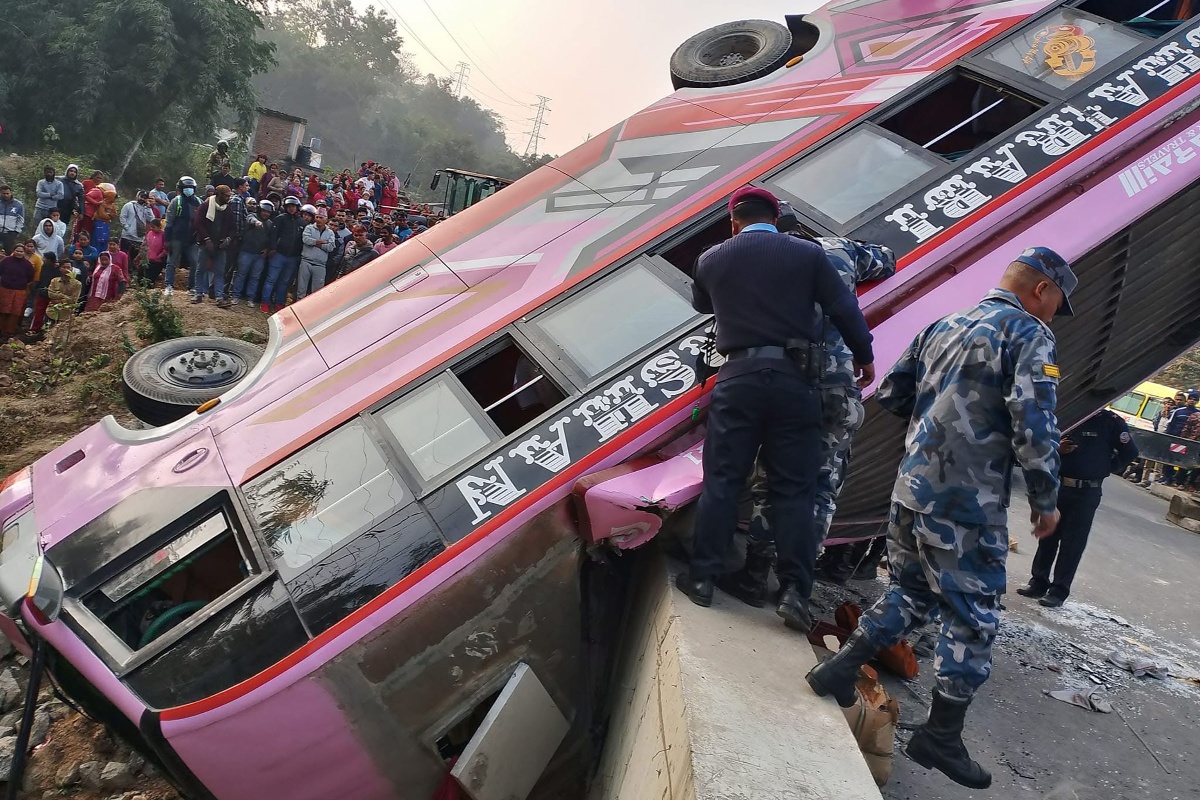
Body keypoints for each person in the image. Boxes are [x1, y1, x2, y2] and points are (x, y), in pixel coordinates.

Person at [806, 246, 1077, 790]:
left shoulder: (944, 323)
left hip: (912, 488)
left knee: (912, 593)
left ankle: (838, 669)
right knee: (974, 615)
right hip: (967, 504)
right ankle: (941, 734)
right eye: (1056, 304)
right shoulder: (1029, 334)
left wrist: (941, 421)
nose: (1054, 316)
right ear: (1041, 290)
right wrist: (1045, 498)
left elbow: (892, 393)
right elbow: (1035, 421)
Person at [674, 186, 875, 632]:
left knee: (724, 481)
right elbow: (844, 309)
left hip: (738, 379)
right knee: (795, 490)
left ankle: (702, 579)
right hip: (795, 382)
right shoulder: (807, 255)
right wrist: (864, 356)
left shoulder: (711, 258)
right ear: (776, 217)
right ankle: (794, 594)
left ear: (734, 222)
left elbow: (703, 303)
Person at [720, 203, 896, 606]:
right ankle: (795, 591)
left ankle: (754, 576)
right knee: (821, 488)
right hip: (838, 390)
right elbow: (887, 259)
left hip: (786, 386)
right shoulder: (839, 250)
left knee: (773, 482)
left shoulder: (760, 264)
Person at [1017, 409, 1138, 608]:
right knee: (1048, 536)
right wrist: (1058, 449)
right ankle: (1038, 582)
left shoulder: (1110, 422)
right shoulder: (1071, 411)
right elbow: (1041, 445)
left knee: (1073, 542)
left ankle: (1059, 590)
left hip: (1086, 492)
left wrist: (1103, 467)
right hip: (1058, 485)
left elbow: (1130, 452)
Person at [192, 185, 237, 307]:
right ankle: (198, 294)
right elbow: (197, 223)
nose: (228, 198)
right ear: (219, 195)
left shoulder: (227, 209)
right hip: (205, 243)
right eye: (226, 196)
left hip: (220, 245)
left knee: (219, 272)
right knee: (201, 269)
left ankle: (219, 297)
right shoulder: (205, 206)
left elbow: (233, 228)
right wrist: (206, 239)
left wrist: (228, 239)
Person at [263, 196, 305, 312]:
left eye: (293, 206)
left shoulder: (301, 222)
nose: (291, 208)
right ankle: (265, 302)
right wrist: (273, 248)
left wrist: (299, 254)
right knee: (271, 279)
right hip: (279, 254)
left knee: (284, 282)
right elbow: (273, 234)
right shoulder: (280, 218)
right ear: (285, 207)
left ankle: (279, 303)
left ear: (297, 207)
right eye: (289, 206)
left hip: (293, 257)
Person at [164, 176, 202, 296]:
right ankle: (168, 285)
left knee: (195, 262)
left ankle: (192, 287)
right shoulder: (176, 201)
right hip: (176, 237)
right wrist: (167, 239)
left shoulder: (199, 202)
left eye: (191, 188)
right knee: (172, 262)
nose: (188, 190)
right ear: (181, 189)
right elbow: (169, 222)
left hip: (192, 239)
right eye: (186, 188)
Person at [233, 200, 274, 305]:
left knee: (255, 277)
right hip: (246, 251)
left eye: (268, 212)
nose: (266, 214)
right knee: (241, 274)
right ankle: (236, 295)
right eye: (264, 211)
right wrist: (256, 222)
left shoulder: (270, 224)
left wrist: (267, 249)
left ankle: (250, 298)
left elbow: (270, 239)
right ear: (259, 210)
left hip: (259, 255)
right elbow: (250, 219)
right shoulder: (252, 216)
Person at [297, 207, 335, 300]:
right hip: (306, 261)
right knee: (301, 288)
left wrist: (315, 243)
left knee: (317, 291)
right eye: (317, 217)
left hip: (320, 264)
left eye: (321, 217)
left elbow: (331, 247)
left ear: (326, 219)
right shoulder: (309, 228)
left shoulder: (330, 232)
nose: (318, 219)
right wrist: (322, 242)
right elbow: (306, 240)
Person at [0, 244, 34, 336]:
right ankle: (1, 329)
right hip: (5, 289)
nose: (19, 253)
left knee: (15, 311)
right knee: (3, 309)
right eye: (17, 251)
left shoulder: (27, 264)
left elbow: (30, 277)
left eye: (21, 251)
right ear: (13, 251)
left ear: (24, 252)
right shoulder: (6, 261)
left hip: (20, 291)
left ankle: (10, 331)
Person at [119, 191, 155, 262]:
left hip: (138, 237)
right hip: (127, 236)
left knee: (134, 257)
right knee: (123, 255)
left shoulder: (146, 208)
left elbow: (151, 219)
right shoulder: (129, 205)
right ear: (137, 196)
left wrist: (148, 207)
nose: (142, 199)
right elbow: (122, 217)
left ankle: (132, 268)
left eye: (145, 197)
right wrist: (127, 228)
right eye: (141, 196)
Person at [45, 259, 82, 327]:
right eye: (64, 267)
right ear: (60, 268)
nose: (66, 269)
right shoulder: (54, 281)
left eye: (68, 267)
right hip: (52, 313)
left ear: (71, 269)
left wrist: (58, 299)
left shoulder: (77, 284)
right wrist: (65, 297)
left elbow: (73, 300)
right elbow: (50, 294)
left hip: (66, 316)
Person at [58, 165, 84, 232]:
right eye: (71, 171)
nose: (72, 173)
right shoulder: (58, 180)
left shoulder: (78, 185)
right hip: (55, 206)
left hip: (67, 209)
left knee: (62, 227)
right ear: (67, 171)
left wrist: (81, 212)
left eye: (75, 172)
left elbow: (81, 200)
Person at [0, 185, 26, 255]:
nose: (5, 195)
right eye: (3, 193)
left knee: (8, 253)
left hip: (10, 233)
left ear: (11, 193)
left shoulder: (18, 205)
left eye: (7, 193)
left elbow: (20, 219)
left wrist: (16, 231)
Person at [142, 218, 168, 284]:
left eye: (153, 227)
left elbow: (165, 249)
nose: (151, 228)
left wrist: (158, 257)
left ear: (159, 227)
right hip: (148, 260)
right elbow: (145, 244)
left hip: (157, 262)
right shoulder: (149, 233)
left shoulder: (163, 235)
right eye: (151, 227)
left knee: (150, 280)